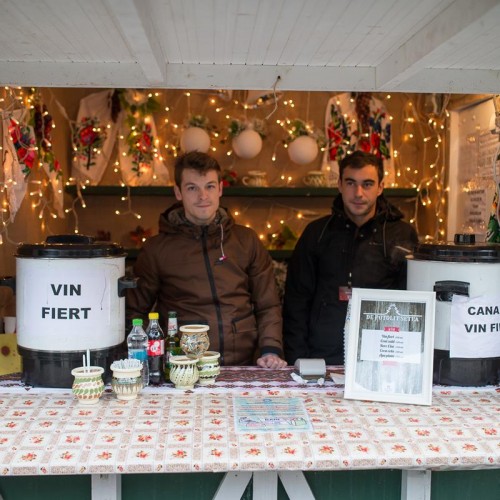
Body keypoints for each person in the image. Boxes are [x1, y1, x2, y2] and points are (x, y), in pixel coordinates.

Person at [126, 151, 287, 369]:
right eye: (192, 188)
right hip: (184, 367)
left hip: (245, 364)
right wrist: (155, 355)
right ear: (178, 192)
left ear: (220, 189)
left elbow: (268, 304)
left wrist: (270, 349)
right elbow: (134, 311)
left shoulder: (246, 240)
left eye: (209, 186)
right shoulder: (157, 250)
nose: (203, 196)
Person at [283, 150, 418, 365]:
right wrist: (297, 359)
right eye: (350, 183)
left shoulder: (402, 234)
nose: (358, 193)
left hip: (382, 355)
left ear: (380, 187)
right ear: (339, 185)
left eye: (367, 184)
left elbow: (412, 302)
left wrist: (405, 359)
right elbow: (296, 300)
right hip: (321, 355)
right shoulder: (317, 233)